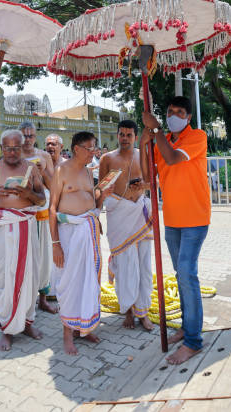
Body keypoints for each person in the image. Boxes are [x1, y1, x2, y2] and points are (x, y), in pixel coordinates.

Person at [140, 95, 210, 365]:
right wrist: (142, 143)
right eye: (170, 111)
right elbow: (149, 176)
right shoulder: (163, 140)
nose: (174, 115)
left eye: (180, 112)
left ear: (188, 117)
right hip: (172, 219)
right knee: (181, 274)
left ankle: (193, 341)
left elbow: (170, 160)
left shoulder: (197, 137)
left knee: (187, 275)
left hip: (195, 218)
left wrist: (156, 129)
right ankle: (187, 325)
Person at [0, 129, 46, 351]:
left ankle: (26, 323)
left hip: (27, 226)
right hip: (3, 231)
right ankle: (6, 328)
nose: (12, 152)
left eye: (16, 147)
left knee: (30, 278)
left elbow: (41, 199)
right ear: (1, 147)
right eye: (7, 148)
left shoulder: (31, 168)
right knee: (5, 278)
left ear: (22, 146)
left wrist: (27, 195)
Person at [49, 131, 113, 355]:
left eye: (95, 147)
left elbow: (94, 203)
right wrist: (55, 242)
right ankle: (67, 333)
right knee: (70, 283)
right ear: (77, 148)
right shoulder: (61, 170)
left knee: (89, 282)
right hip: (68, 235)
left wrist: (103, 194)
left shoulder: (88, 173)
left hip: (88, 232)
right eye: (90, 147)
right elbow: (52, 208)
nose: (94, 152)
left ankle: (84, 328)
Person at [99, 120, 154, 332]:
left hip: (138, 211)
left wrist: (143, 185)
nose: (124, 138)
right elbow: (101, 187)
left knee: (143, 265)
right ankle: (129, 310)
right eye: (121, 134)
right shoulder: (107, 158)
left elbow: (153, 182)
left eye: (129, 135)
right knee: (124, 264)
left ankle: (144, 312)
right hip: (118, 215)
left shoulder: (143, 156)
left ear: (135, 136)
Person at [19, 122, 56, 314]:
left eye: (31, 136)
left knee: (44, 256)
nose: (27, 140)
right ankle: (26, 300)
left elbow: (53, 184)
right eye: (24, 136)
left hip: (42, 211)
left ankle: (43, 298)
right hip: (23, 212)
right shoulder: (13, 156)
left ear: (36, 137)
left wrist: (41, 172)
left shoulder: (44, 156)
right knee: (27, 258)